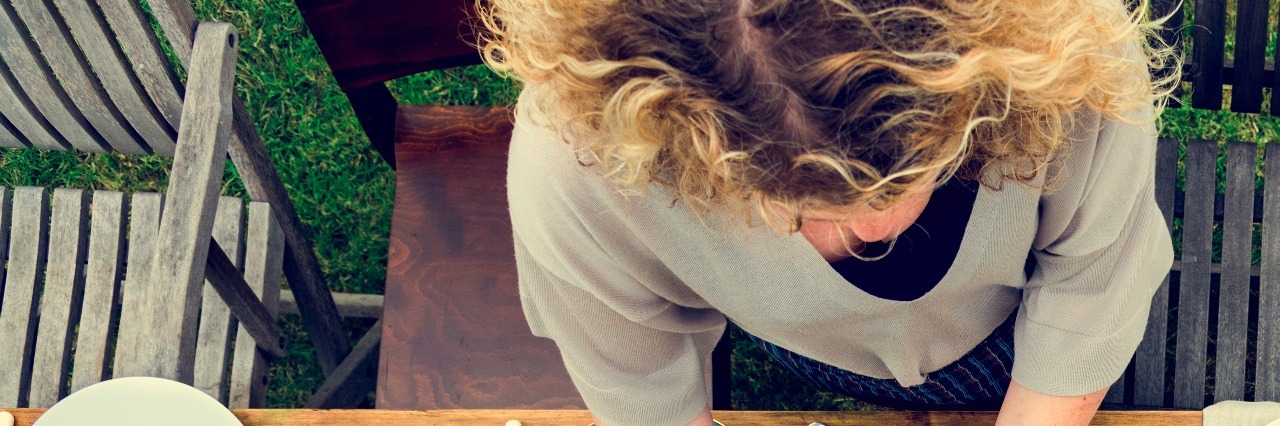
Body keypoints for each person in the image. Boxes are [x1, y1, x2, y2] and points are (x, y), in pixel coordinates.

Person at [476, 0, 1179, 424]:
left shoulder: (1063, 42)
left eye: (926, 167)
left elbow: (1093, 285)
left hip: (1023, 319)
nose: (876, 232)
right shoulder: (575, 161)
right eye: (796, 205)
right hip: (817, 351)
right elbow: (639, 389)